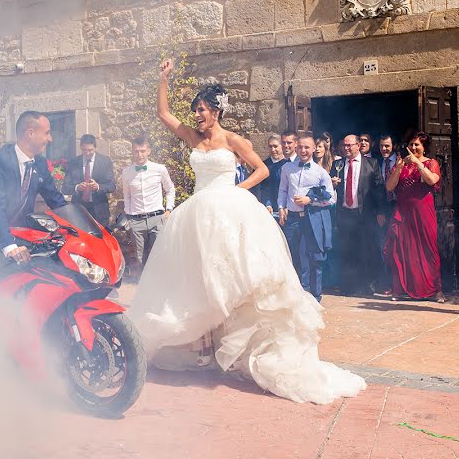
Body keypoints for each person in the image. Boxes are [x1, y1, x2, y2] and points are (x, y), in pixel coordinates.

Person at [128, 59, 366, 404]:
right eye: (195, 110)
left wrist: (236, 192)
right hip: (196, 215)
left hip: (228, 211)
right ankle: (203, 347)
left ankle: (241, 349)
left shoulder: (234, 140)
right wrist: (163, 79)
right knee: (200, 279)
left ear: (217, 111)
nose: (197, 115)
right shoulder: (194, 138)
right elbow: (164, 115)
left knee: (236, 279)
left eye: (202, 110)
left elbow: (261, 171)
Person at [0, 111, 66, 267]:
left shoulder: (40, 163)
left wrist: (80, 227)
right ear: (30, 133)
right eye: (47, 133)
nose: (50, 139)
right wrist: (9, 245)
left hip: (19, 235)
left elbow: (55, 199)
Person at [384, 132, 444, 302]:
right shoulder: (400, 164)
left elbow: (432, 180)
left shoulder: (431, 163)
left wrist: (418, 163)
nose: (413, 148)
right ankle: (402, 289)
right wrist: (400, 168)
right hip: (403, 212)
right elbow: (389, 187)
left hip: (423, 213)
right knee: (401, 249)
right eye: (411, 144)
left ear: (424, 147)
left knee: (428, 249)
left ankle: (434, 290)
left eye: (417, 144)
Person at [278, 135, 336, 302]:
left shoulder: (320, 172)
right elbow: (283, 190)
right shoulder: (287, 168)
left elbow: (331, 198)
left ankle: (315, 297)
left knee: (314, 258)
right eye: (301, 147)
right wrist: (281, 207)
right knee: (294, 256)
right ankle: (297, 296)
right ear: (296, 147)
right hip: (293, 219)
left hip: (312, 219)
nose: (303, 151)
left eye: (307, 148)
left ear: (313, 149)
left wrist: (311, 200)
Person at [330, 135, 386, 295]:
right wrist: (332, 184)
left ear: (358, 145)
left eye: (349, 145)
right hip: (345, 213)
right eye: (344, 145)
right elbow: (329, 188)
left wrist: (381, 211)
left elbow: (379, 188)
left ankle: (366, 285)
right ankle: (348, 286)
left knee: (365, 249)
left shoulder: (371, 164)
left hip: (364, 214)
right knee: (347, 250)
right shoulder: (338, 164)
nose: (346, 148)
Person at [120, 135, 175, 274]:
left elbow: (170, 189)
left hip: (157, 218)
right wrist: (129, 217)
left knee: (159, 255)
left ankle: (161, 287)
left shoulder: (159, 169)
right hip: (136, 221)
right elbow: (126, 196)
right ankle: (144, 288)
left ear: (149, 151)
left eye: (143, 151)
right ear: (132, 152)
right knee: (139, 258)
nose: (140, 154)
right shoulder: (126, 172)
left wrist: (169, 209)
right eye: (136, 151)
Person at [61, 134, 116, 228]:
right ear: (81, 147)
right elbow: (65, 188)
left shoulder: (105, 161)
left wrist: (98, 186)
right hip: (79, 210)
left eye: (90, 150)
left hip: (99, 209)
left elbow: (111, 186)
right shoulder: (73, 162)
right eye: (84, 150)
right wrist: (77, 187)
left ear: (95, 148)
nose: (87, 153)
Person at [375, 134, 400, 293]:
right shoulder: (376, 163)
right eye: (382, 146)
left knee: (399, 246)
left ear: (394, 146)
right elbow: (377, 189)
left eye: (387, 146)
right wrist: (380, 210)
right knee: (385, 246)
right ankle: (388, 282)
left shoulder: (400, 162)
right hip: (384, 209)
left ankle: (400, 283)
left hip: (400, 206)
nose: (384, 149)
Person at [262, 134, 287, 214]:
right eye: (270, 146)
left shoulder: (288, 165)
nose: (273, 149)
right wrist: (267, 204)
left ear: (282, 146)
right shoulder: (263, 166)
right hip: (268, 209)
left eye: (275, 146)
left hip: (286, 209)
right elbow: (262, 188)